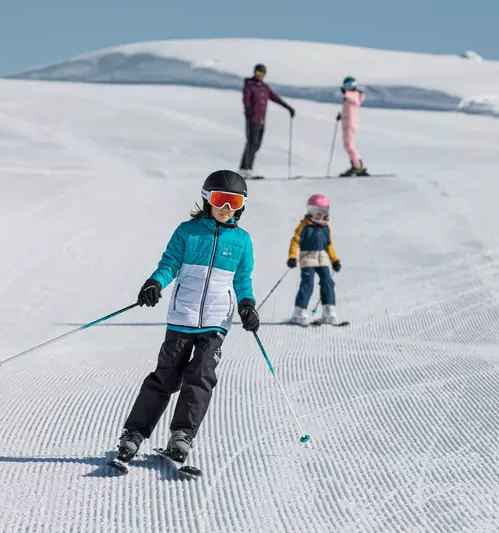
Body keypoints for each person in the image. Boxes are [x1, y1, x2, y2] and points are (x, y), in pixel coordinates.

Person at [115, 170, 260, 464]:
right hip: (182, 318)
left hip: (216, 323)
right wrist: (154, 283)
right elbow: (169, 264)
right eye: (221, 199)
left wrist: (247, 305)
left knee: (201, 378)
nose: (227, 208)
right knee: (164, 378)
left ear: (242, 205)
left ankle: (182, 434)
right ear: (207, 199)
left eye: (234, 201)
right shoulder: (188, 232)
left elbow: (243, 280)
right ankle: (134, 434)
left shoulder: (243, 241)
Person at [286, 194, 341, 326]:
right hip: (307, 258)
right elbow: (295, 241)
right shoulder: (304, 225)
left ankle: (329, 310)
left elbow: (329, 246)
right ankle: (299, 312)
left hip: (322, 259)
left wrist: (335, 260)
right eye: (314, 211)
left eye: (321, 211)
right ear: (309, 211)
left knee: (328, 283)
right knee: (307, 284)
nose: (317, 214)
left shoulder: (326, 227)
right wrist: (292, 257)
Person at [239, 63, 295, 179]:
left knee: (257, 145)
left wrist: (288, 107)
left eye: (262, 74)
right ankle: (246, 169)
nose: (259, 75)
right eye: (257, 73)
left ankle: (245, 169)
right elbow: (246, 98)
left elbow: (276, 98)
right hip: (252, 119)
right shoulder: (250, 85)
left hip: (261, 120)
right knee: (251, 143)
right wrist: (248, 109)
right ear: (254, 73)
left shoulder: (264, 87)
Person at [336, 76, 368, 177]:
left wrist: (345, 91)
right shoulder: (350, 98)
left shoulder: (353, 95)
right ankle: (357, 163)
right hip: (348, 122)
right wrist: (341, 115)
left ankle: (357, 166)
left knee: (348, 146)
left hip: (349, 124)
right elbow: (349, 109)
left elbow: (350, 97)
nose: (347, 88)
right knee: (348, 145)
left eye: (349, 85)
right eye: (346, 85)